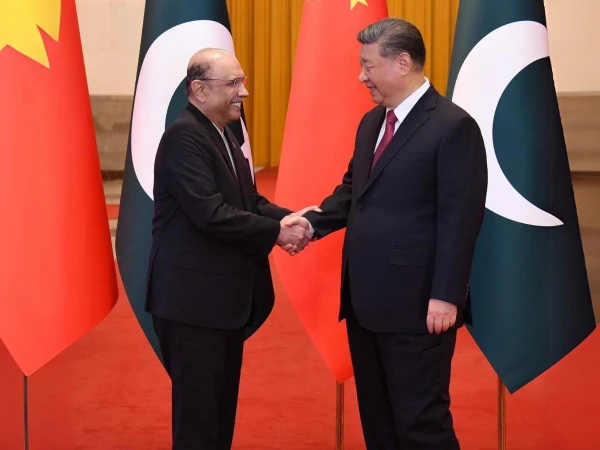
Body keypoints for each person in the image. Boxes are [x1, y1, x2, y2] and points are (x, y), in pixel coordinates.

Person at [302, 18, 488, 449]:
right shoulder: (372, 122)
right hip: (365, 303)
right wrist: (310, 224)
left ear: (402, 62)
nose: (361, 76)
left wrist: (446, 295)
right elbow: (354, 192)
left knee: (421, 423)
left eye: (368, 65)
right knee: (379, 420)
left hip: (418, 306)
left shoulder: (452, 125)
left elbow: (461, 219)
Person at [145, 48, 316, 450]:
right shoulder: (184, 138)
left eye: (243, 81)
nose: (245, 92)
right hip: (192, 306)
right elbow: (211, 215)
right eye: (234, 83)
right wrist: (278, 233)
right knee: (200, 424)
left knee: (219, 416)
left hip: (219, 303)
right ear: (200, 90)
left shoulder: (222, 133)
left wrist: (296, 219)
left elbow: (248, 201)